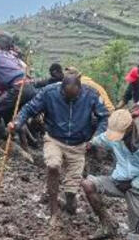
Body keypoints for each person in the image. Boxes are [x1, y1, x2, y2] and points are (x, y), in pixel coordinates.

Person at [11, 74, 110, 221]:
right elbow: (29, 108)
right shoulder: (49, 92)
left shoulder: (91, 94)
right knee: (53, 165)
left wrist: (96, 137)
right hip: (54, 139)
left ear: (80, 90)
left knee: (71, 192)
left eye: (74, 98)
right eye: (66, 97)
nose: (70, 100)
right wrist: (17, 123)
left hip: (78, 145)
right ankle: (53, 212)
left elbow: (104, 117)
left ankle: (67, 202)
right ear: (61, 90)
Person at [83, 109, 139, 240]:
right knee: (88, 184)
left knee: (134, 238)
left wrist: (132, 184)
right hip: (119, 180)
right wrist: (89, 143)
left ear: (129, 128)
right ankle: (108, 225)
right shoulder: (114, 136)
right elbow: (102, 139)